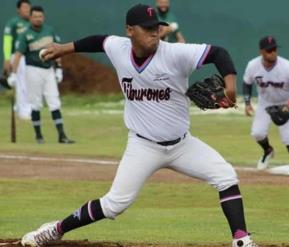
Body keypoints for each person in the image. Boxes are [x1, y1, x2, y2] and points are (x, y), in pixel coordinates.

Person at [20, 4, 258, 247]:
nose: (154, 33)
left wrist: (230, 85)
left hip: (183, 145)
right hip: (143, 146)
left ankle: (241, 240)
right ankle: (54, 230)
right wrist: (64, 49)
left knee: (226, 176)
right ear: (130, 31)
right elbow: (98, 41)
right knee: (114, 204)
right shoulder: (118, 48)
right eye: (147, 29)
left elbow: (219, 53)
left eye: (157, 28)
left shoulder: (176, 53)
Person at [10, 6, 74, 144]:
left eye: (40, 16)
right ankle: (39, 136)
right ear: (31, 17)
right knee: (36, 104)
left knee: (54, 101)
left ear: (43, 17)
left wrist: (58, 68)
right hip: (32, 70)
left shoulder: (49, 30)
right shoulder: (25, 34)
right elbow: (18, 54)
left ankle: (61, 135)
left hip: (48, 70)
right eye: (35, 16)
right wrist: (13, 74)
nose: (38, 19)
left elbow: (56, 50)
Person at [243, 36, 289, 176]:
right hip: (266, 102)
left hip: (286, 103)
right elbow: (246, 83)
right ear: (262, 52)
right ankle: (268, 151)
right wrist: (247, 103)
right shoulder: (253, 65)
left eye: (275, 49)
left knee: (287, 136)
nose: (273, 52)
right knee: (257, 133)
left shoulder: (288, 67)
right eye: (269, 50)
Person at [2, 0, 32, 119]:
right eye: (24, 7)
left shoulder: (32, 22)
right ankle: (24, 112)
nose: (27, 10)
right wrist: (7, 59)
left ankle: (22, 107)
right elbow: (7, 42)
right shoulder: (13, 23)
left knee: (29, 84)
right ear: (18, 9)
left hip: (31, 57)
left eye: (28, 7)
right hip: (18, 57)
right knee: (21, 84)